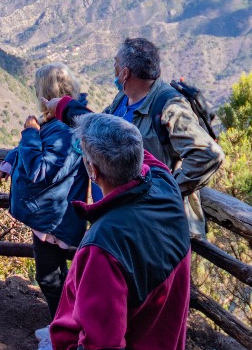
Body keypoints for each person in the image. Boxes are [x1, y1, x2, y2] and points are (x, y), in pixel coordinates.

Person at [50, 114, 191, 350]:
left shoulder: (103, 246)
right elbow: (131, 148)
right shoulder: (164, 186)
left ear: (93, 173)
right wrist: (68, 108)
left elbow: (103, 346)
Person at [54, 37, 222, 238]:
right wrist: (65, 108)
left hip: (151, 225)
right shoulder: (123, 98)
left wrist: (165, 191)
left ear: (125, 73)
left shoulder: (169, 107)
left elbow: (209, 155)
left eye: (116, 63)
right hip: (121, 217)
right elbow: (101, 126)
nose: (114, 69)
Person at [0, 63, 89, 350]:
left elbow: (39, 170)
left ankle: (60, 340)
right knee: (55, 278)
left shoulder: (63, 130)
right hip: (51, 216)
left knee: (51, 280)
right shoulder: (62, 123)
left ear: (46, 92)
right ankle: (59, 326)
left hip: (55, 218)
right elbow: (32, 148)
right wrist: (12, 158)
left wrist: (28, 132)